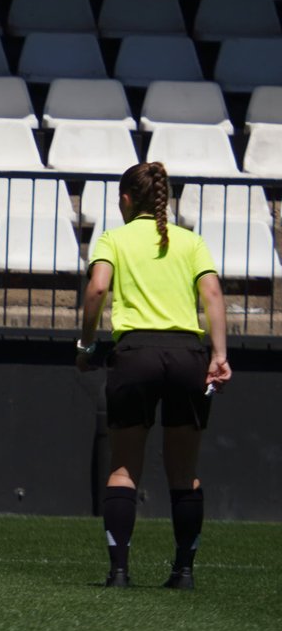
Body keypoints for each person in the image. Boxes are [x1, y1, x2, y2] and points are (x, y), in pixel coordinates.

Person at [77, 161, 230, 589]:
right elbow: (213, 293)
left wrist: (86, 344)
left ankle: (119, 572)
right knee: (184, 471)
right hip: (187, 355)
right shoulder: (191, 241)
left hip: (135, 353)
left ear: (126, 199)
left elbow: (97, 288)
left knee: (124, 468)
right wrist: (218, 354)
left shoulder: (113, 239)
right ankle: (183, 572)